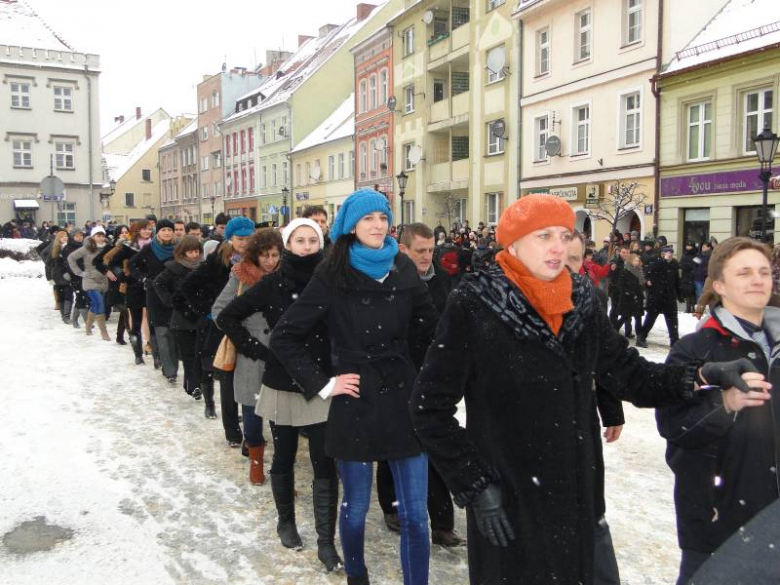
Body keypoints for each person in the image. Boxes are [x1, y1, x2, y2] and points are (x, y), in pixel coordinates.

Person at [408, 194, 753, 585]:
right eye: (543, 236)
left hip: (575, 493)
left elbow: (627, 372)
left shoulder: (581, 295)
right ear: (514, 243)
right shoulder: (474, 301)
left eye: (565, 234)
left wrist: (702, 374)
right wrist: (476, 484)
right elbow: (428, 408)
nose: (559, 246)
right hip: (509, 495)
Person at [270, 189, 439, 585]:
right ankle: (357, 577)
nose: (378, 225)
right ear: (351, 225)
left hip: (402, 395)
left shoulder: (402, 266)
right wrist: (324, 384)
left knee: (416, 513)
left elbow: (430, 330)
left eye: (383, 217)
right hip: (355, 398)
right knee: (356, 505)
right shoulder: (332, 272)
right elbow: (285, 336)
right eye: (368, 219)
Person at [218, 220, 344, 572]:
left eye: (312, 240)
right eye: (299, 240)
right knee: (284, 456)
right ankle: (285, 521)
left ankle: (325, 541)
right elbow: (227, 316)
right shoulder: (272, 284)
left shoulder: (331, 282)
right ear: (289, 244)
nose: (306, 246)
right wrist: (259, 350)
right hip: (282, 380)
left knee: (324, 463)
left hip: (322, 382)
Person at [657, 237, 777, 585]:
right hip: (718, 520)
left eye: (764, 271)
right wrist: (723, 404)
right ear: (720, 285)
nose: (757, 279)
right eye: (744, 273)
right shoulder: (695, 349)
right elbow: (673, 427)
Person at [376, 222, 464, 548]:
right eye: (421, 251)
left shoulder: (442, 279)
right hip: (397, 373)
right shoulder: (387, 281)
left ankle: (442, 522)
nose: (427, 257)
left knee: (434, 443)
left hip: (434, 374)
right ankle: (392, 507)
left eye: (431, 250)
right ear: (403, 250)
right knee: (394, 444)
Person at [565, 231, 624, 585]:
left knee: (590, 505)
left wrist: (611, 408)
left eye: (576, 260)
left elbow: (606, 358)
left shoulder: (592, 297)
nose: (570, 267)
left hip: (582, 416)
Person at [212, 228, 283, 478]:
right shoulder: (240, 275)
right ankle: (256, 462)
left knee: (280, 415)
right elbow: (219, 310)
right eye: (264, 255)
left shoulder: (287, 277)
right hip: (250, 354)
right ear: (255, 255)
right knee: (252, 412)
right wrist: (247, 342)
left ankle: (280, 471)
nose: (270, 261)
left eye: (275, 255)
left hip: (280, 354)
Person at [180, 216, 256, 443]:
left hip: (250, 326)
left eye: (248, 238)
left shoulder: (258, 259)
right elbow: (188, 286)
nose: (244, 243)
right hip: (221, 328)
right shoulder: (216, 261)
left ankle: (251, 424)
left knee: (250, 376)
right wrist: (209, 311)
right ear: (230, 239)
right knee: (228, 379)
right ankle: (232, 431)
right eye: (239, 238)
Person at [154, 236, 206, 400]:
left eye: (197, 251)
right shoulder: (173, 268)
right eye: (190, 251)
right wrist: (170, 301)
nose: (194, 255)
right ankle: (194, 384)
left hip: (200, 316)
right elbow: (158, 283)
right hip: (182, 318)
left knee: (199, 353)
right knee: (188, 354)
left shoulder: (204, 268)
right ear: (183, 253)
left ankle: (194, 384)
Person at [129, 219, 179, 383]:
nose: (167, 233)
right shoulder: (149, 249)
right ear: (157, 232)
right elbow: (132, 264)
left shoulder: (178, 248)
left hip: (174, 294)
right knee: (162, 332)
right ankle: (169, 370)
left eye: (169, 230)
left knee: (173, 332)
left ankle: (168, 363)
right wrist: (143, 279)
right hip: (154, 294)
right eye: (163, 230)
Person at [98, 220, 152, 364]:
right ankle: (138, 353)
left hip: (151, 286)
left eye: (149, 229)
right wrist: (121, 275)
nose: (147, 231)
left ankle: (153, 349)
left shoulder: (154, 245)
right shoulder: (128, 247)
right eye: (144, 229)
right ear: (137, 231)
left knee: (150, 319)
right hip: (133, 286)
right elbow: (109, 261)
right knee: (135, 321)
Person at [67, 226, 111, 340]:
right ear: (93, 237)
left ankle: (87, 325)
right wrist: (79, 272)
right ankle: (103, 331)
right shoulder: (87, 248)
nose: (100, 238)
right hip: (90, 279)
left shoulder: (107, 248)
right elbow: (71, 258)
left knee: (95, 305)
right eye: (98, 236)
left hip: (103, 280)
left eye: (102, 236)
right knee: (100, 303)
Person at [637, 246, 681, 348]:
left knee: (672, 319)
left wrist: (679, 293)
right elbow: (648, 276)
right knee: (651, 317)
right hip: (656, 295)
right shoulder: (656, 263)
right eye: (667, 253)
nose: (669, 255)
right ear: (662, 254)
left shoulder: (674, 264)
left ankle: (674, 340)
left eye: (671, 253)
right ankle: (641, 337)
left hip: (669, 296)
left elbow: (676, 280)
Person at [62, 229, 89, 328]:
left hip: (85, 275)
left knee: (82, 297)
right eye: (77, 236)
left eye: (81, 235)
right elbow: (68, 263)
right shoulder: (67, 248)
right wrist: (76, 273)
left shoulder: (84, 246)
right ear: (72, 237)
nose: (79, 237)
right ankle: (87, 321)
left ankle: (75, 320)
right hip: (75, 276)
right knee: (81, 296)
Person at [49, 230, 73, 324]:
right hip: (58, 276)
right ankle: (64, 316)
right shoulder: (55, 248)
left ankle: (66, 316)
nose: (65, 238)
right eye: (63, 236)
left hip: (69, 275)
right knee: (61, 296)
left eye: (66, 236)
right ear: (59, 238)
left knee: (69, 295)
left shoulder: (70, 247)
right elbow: (48, 263)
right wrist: (49, 277)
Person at [679, 241, 698, 313]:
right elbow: (680, 264)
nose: (687, 247)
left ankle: (693, 307)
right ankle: (688, 308)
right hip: (685, 275)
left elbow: (696, 264)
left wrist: (688, 266)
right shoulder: (684, 254)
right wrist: (686, 266)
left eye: (689, 246)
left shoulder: (696, 255)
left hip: (693, 275)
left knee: (692, 291)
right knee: (686, 291)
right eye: (687, 246)